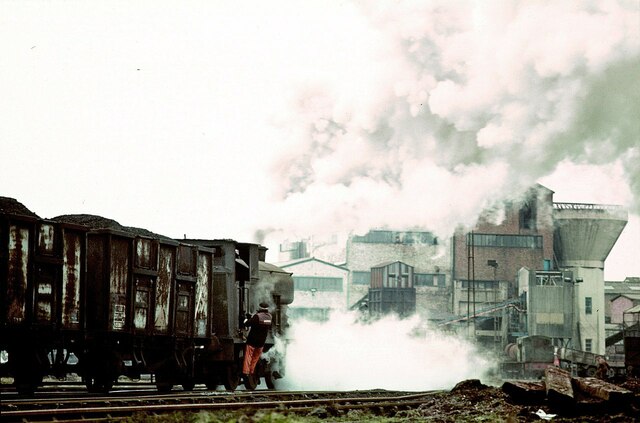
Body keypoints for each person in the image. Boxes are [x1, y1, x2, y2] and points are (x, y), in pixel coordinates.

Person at [242, 302, 272, 378]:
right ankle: (251, 371)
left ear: (260, 308)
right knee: (255, 358)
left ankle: (246, 372)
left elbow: (247, 323)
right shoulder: (269, 317)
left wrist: (246, 319)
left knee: (248, 356)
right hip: (261, 342)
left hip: (252, 340)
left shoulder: (257, 317)